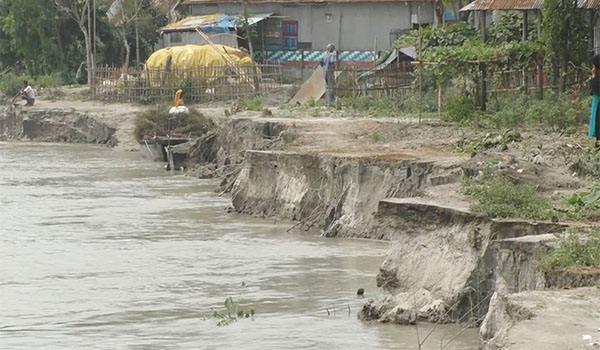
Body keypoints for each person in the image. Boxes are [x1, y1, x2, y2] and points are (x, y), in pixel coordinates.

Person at [590, 55, 600, 149]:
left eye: (593, 67)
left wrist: (593, 76)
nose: (592, 69)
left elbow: (593, 88)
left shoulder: (596, 81)